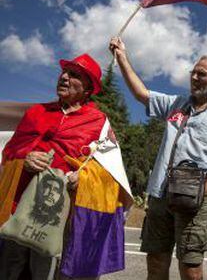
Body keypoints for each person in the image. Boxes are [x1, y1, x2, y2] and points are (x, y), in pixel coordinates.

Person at [109, 37, 207, 280]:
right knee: (156, 259)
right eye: (193, 73)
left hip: (195, 198)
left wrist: (205, 190)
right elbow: (142, 94)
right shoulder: (176, 104)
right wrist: (122, 57)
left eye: (201, 74)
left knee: (191, 267)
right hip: (161, 194)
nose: (194, 78)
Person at [0, 53, 133, 280]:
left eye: (74, 75)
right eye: (64, 72)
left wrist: (83, 179)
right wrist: (26, 159)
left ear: (88, 89)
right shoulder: (36, 113)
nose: (64, 77)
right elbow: (10, 152)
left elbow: (110, 173)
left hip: (60, 215)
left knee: (47, 272)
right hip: (18, 208)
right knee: (9, 270)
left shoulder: (98, 122)